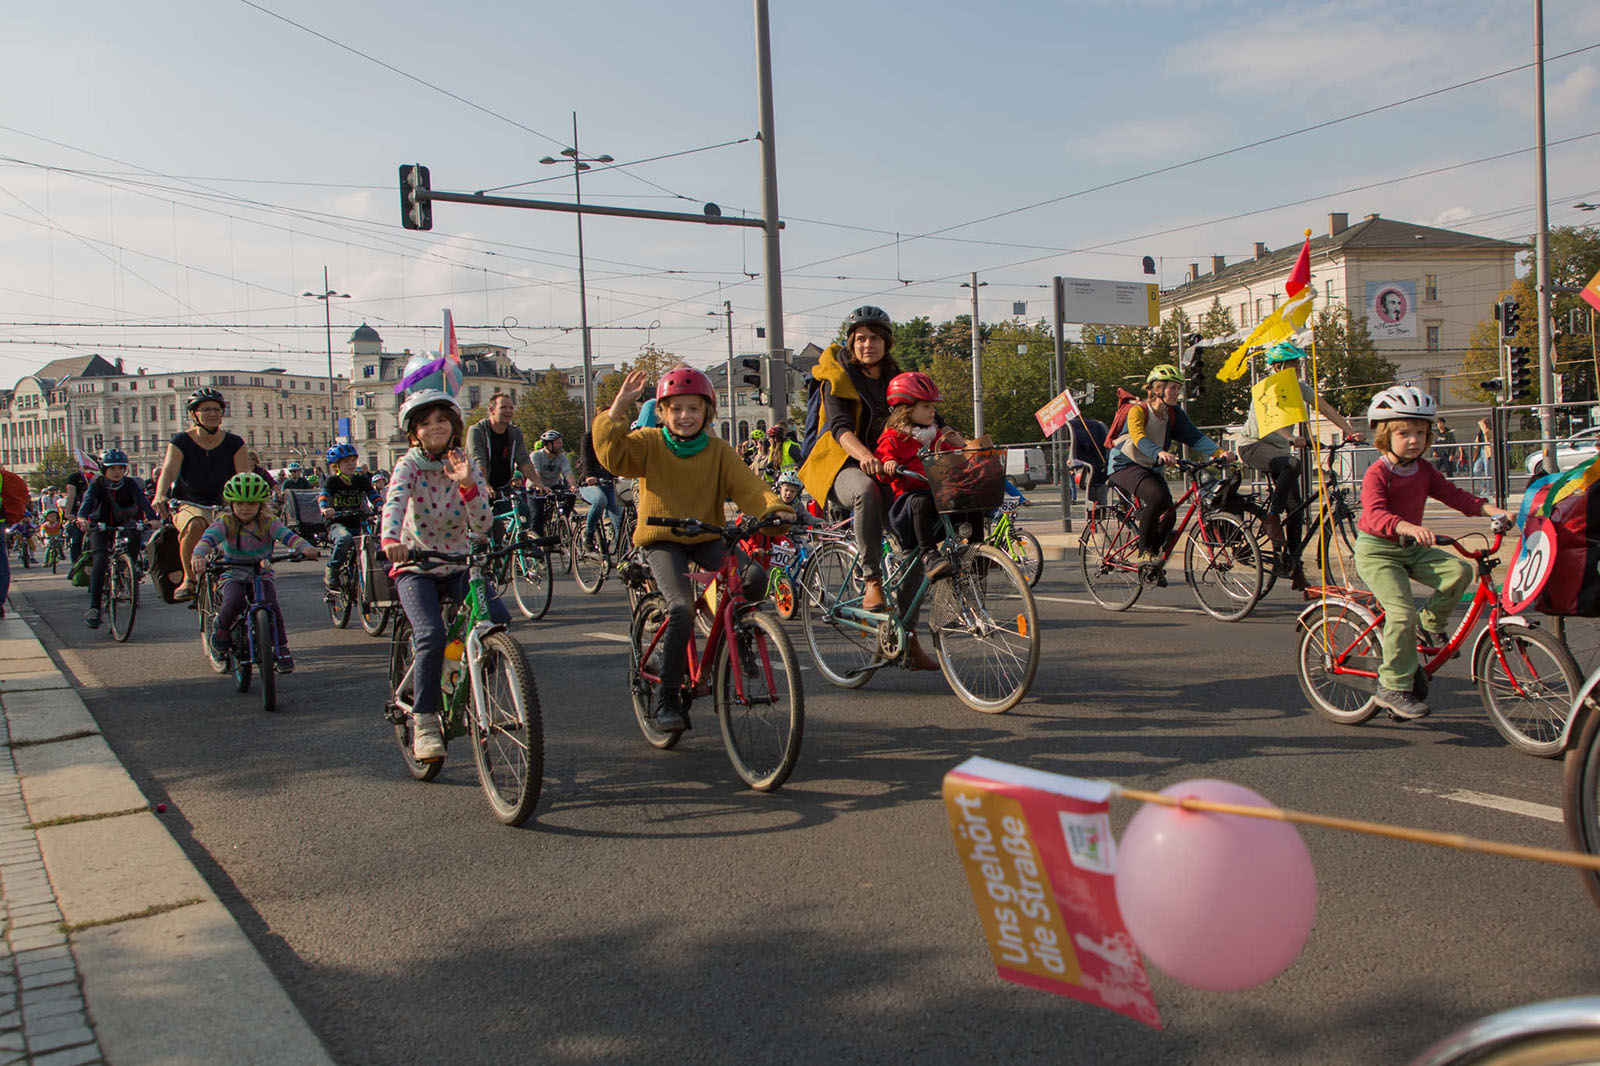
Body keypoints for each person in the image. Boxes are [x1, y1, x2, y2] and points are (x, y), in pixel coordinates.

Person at [594, 366, 792, 732]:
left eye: (693, 408)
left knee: (753, 579)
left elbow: (749, 487)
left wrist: (774, 510)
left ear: (707, 412)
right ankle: (668, 698)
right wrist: (619, 406)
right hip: (661, 539)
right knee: (681, 608)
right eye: (676, 409)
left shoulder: (718, 451)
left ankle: (739, 635)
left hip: (705, 535)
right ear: (663, 412)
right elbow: (612, 455)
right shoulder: (649, 442)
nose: (685, 416)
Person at [1354, 386, 1513, 721]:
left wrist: (1492, 510)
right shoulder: (1377, 472)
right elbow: (1375, 514)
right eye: (1404, 433)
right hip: (1378, 552)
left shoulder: (1424, 470)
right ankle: (1392, 686)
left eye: (1421, 433)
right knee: (1401, 614)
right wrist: (1408, 527)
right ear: (1385, 436)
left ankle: (1430, 622)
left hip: (1412, 548)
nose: (1414, 440)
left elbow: (1455, 496)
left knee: (1460, 571)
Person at [381, 376, 507, 763]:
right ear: (414, 433)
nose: (435, 427)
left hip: (457, 562)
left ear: (454, 424)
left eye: (442, 419)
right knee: (431, 634)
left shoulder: (464, 464)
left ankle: (458, 677)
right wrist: (391, 541)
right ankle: (424, 721)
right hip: (415, 564)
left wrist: (468, 484)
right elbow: (395, 503)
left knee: (497, 618)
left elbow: (483, 523)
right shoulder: (408, 465)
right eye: (425, 422)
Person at [798, 305, 904, 616]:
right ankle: (871, 578)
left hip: (882, 462)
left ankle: (907, 631)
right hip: (840, 463)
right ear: (851, 343)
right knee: (865, 491)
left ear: (886, 343)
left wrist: (958, 439)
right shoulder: (837, 377)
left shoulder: (896, 378)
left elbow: (926, 413)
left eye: (875, 338)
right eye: (860, 339)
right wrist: (865, 455)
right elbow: (840, 428)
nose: (867, 345)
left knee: (916, 548)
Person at [1236, 342, 1362, 590]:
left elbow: (1325, 408)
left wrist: (1350, 432)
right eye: (1292, 364)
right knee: (1293, 464)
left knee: (1296, 509)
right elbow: (1270, 422)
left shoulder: (1299, 387)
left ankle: (1294, 567)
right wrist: (1291, 438)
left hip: (1279, 450)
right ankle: (1272, 517)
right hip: (1253, 445)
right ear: (1278, 367)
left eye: (1297, 364)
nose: (1296, 368)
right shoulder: (1266, 389)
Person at [1106, 364, 1234, 568]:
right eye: (1173, 388)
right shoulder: (1138, 411)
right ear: (1158, 389)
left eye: (1179, 388)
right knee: (1156, 497)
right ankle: (1144, 552)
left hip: (1150, 467)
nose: (1177, 392)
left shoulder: (1173, 414)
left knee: (1169, 514)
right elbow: (1139, 437)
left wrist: (1220, 453)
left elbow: (1195, 437)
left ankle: (1153, 563)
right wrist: (1159, 452)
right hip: (1125, 465)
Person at [191, 473, 317, 673]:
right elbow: (208, 539)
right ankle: (221, 629)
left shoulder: (269, 522)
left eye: (251, 504)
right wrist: (198, 555)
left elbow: (288, 536)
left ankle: (281, 648)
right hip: (233, 573)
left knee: (272, 605)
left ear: (260, 505)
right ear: (231, 504)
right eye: (240, 503)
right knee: (234, 600)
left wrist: (305, 547)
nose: (245, 509)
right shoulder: (225, 522)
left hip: (261, 573)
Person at [152, 387, 251, 600]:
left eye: (217, 409)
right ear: (193, 414)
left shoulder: (234, 443)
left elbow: (245, 476)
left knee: (243, 531)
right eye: (206, 409)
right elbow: (169, 471)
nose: (213, 414)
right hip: (189, 502)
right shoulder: (181, 441)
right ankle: (189, 579)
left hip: (225, 504)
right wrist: (160, 494)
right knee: (196, 524)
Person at [873, 372, 966, 595]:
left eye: (932, 406)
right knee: (920, 501)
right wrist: (889, 463)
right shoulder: (893, 438)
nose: (932, 411)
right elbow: (883, 460)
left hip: (937, 499)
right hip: (908, 508)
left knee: (968, 499)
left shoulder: (934, 436)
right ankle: (929, 555)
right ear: (905, 409)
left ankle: (973, 549)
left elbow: (952, 453)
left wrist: (966, 453)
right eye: (926, 406)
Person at [75, 449, 156, 629]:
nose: (117, 472)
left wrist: (153, 519)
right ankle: (94, 608)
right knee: (101, 560)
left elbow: (143, 501)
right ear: (104, 469)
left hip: (125, 523)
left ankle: (130, 566)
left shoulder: (130, 483)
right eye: (112, 468)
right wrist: (82, 518)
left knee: (134, 533)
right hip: (99, 525)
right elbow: (87, 503)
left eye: (120, 468)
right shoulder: (97, 484)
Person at [466, 391, 542, 542]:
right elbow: (478, 460)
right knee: (484, 535)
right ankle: (481, 554)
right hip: (477, 487)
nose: (508, 411)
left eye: (511, 408)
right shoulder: (477, 431)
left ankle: (513, 546)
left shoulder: (515, 433)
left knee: (524, 512)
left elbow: (523, 460)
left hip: (503, 488)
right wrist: (485, 485)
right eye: (503, 407)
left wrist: (537, 481)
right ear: (492, 410)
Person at [318, 443, 376, 591]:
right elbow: (324, 495)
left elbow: (372, 494)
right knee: (345, 539)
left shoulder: (360, 480)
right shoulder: (333, 481)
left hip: (358, 522)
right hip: (337, 523)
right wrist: (324, 508)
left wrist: (381, 505)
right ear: (336, 466)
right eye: (346, 461)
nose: (351, 464)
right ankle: (332, 569)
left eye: (353, 460)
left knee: (373, 541)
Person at [579, 426, 624, 552]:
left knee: (620, 523)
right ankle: (589, 533)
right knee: (600, 500)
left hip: (609, 483)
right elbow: (585, 459)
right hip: (590, 484)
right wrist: (588, 475)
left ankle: (623, 555)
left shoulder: (615, 438)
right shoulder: (589, 437)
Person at [63, 466, 91, 566]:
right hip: (78, 512)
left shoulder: (98, 477)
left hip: (94, 512)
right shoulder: (75, 477)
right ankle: (76, 565)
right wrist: (67, 513)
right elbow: (71, 496)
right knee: (77, 539)